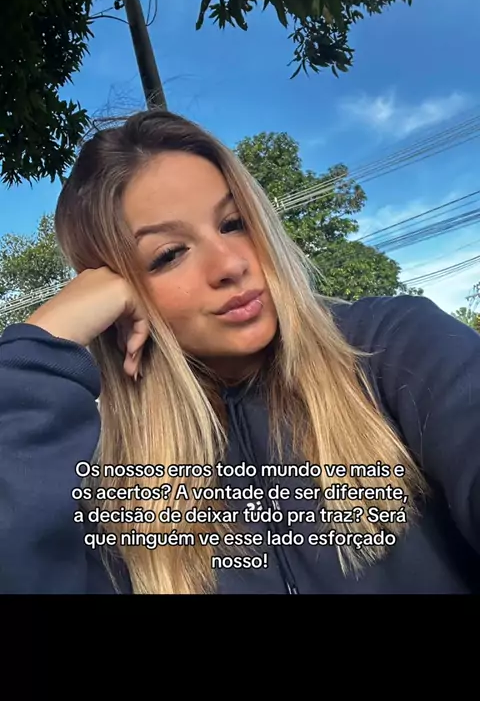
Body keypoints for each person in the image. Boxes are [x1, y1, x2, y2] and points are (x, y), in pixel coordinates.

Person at [1, 109, 479, 595]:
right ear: (118, 298)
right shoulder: (114, 492)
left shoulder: (393, 347)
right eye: (169, 254)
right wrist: (44, 340)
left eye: (233, 223)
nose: (230, 264)